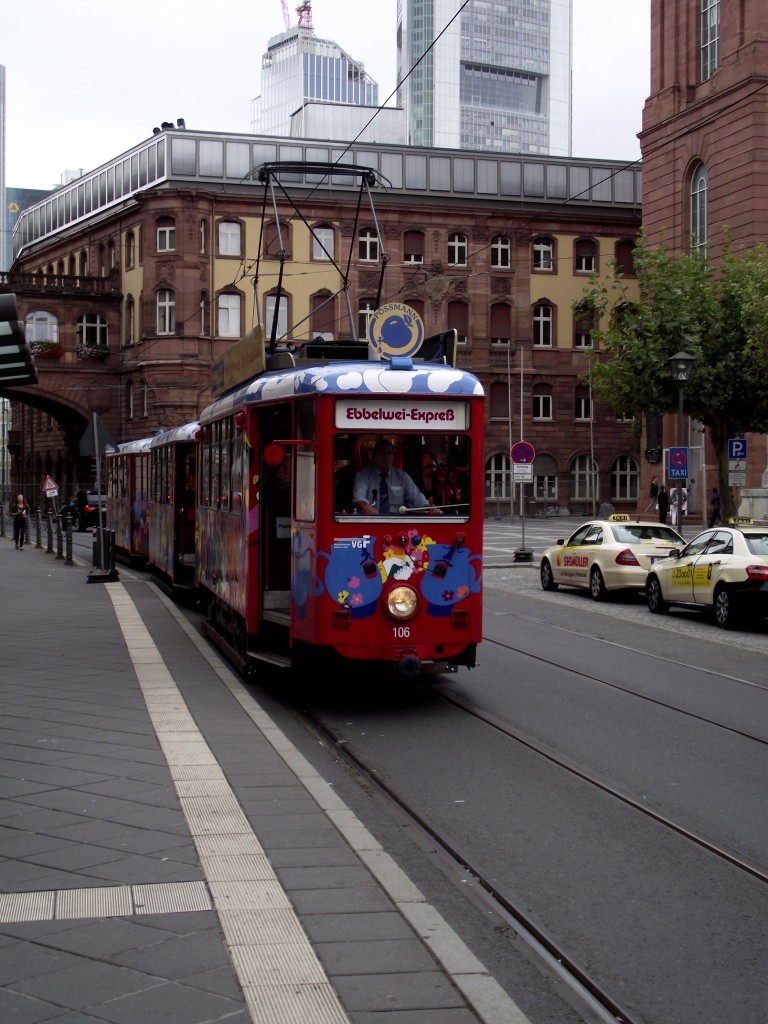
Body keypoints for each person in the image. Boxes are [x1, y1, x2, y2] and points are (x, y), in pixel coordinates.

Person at [353, 438, 442, 515]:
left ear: (393, 456)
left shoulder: (402, 477)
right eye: (382, 453)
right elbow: (358, 498)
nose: (386, 457)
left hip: (396, 523)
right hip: (370, 523)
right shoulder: (363, 475)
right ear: (374, 456)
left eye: (389, 453)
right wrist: (366, 507)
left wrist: (429, 508)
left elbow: (417, 500)